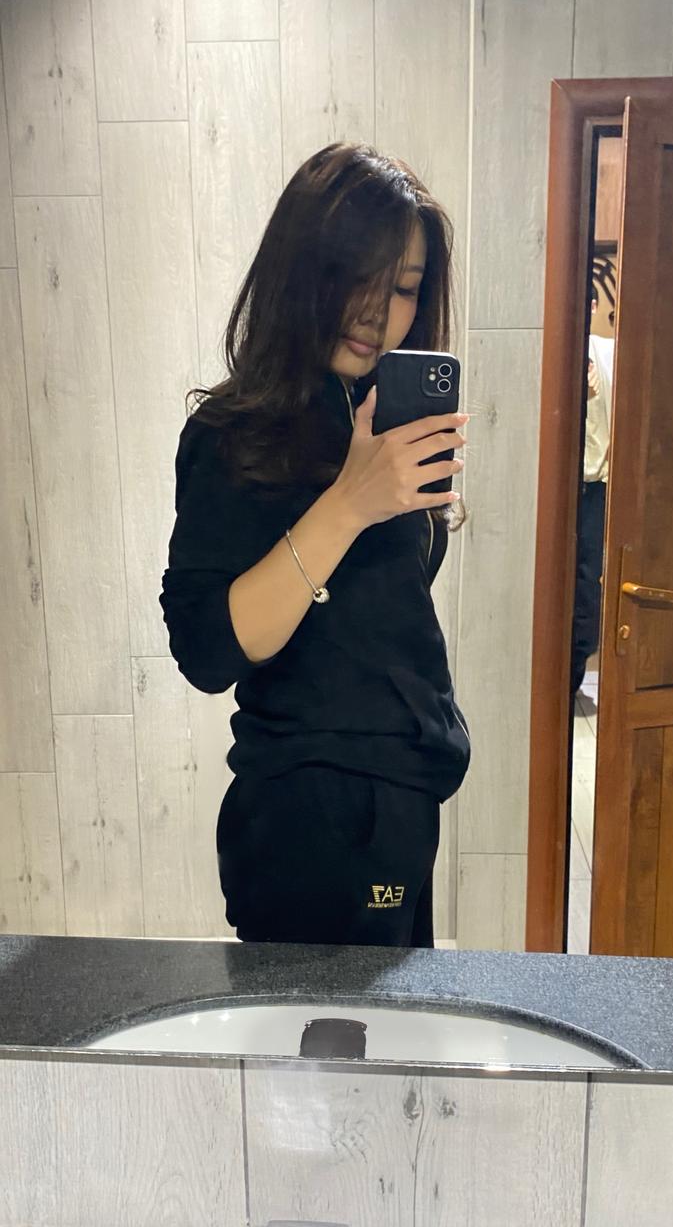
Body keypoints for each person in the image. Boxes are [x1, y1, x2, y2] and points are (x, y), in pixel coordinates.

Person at [159, 142, 471, 948]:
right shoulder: (233, 436)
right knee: (329, 1035)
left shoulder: (372, 418)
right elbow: (207, 648)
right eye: (357, 277)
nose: (378, 311)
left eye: (404, 286)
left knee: (388, 1026)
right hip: (313, 814)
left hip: (400, 798)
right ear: (303, 269)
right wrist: (350, 506)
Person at [571, 286, 615, 699]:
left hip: (596, 490)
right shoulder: (554, 358)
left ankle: (573, 675)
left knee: (587, 583)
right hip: (559, 491)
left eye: (588, 303)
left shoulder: (610, 353)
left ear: (595, 307)